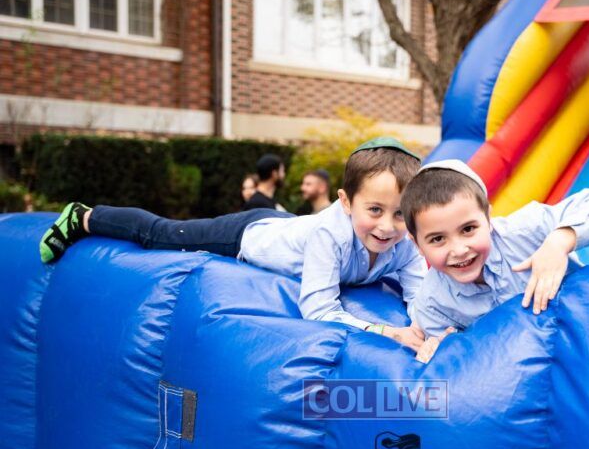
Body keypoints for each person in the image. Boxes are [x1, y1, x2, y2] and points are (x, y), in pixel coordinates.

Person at [38, 137, 428, 350]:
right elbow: (319, 310)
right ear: (345, 202)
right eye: (374, 210)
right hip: (250, 233)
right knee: (164, 234)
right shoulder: (331, 235)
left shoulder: (405, 240)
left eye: (399, 213)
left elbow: (422, 297)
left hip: (291, 229)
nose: (386, 226)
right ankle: (84, 216)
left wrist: (434, 332)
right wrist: (387, 332)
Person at [400, 160, 589, 363]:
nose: (459, 250)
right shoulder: (432, 303)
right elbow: (458, 357)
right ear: (417, 243)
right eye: (438, 239)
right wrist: (443, 346)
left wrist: (559, 242)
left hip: (587, 329)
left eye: (468, 229)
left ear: (488, 218)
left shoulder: (526, 231)